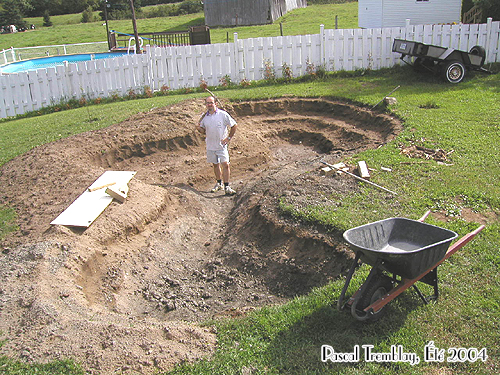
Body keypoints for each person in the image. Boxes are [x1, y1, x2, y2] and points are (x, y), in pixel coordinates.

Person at [198, 96, 237, 195]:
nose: (209, 105)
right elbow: (203, 131)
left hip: (221, 145)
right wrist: (198, 128)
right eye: (207, 103)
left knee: (225, 164)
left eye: (211, 102)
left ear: (216, 103)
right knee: (215, 164)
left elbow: (234, 125)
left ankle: (227, 186)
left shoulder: (223, 115)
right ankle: (219, 183)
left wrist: (228, 138)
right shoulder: (204, 117)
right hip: (210, 145)